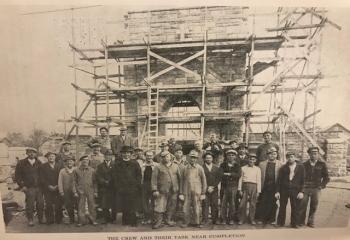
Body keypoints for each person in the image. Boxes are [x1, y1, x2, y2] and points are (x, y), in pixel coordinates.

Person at [299, 147, 330, 228]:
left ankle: (310, 221)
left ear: (318, 154)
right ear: (309, 154)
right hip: (305, 188)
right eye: (312, 153)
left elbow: (327, 177)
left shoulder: (322, 164)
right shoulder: (304, 165)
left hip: (316, 188)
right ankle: (301, 221)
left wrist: (322, 186)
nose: (314, 155)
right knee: (303, 204)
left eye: (316, 153)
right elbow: (300, 177)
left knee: (314, 205)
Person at [151, 151, 182, 229]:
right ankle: (158, 222)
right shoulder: (158, 166)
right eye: (164, 157)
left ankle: (168, 220)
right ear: (161, 158)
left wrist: (180, 190)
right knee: (159, 206)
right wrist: (155, 190)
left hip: (174, 190)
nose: (166, 158)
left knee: (171, 206)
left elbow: (180, 179)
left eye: (167, 156)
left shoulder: (175, 166)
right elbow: (153, 179)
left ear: (170, 157)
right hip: (162, 191)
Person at [14, 147, 44, 226]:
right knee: (30, 204)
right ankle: (30, 220)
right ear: (27, 153)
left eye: (33, 152)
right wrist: (22, 186)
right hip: (29, 187)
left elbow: (43, 175)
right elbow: (17, 176)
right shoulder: (21, 163)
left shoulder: (39, 162)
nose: (32, 154)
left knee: (40, 204)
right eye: (30, 152)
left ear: (36, 154)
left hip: (39, 187)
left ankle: (40, 219)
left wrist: (43, 186)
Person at [113, 146, 142, 227]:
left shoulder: (135, 163)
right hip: (122, 188)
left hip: (132, 188)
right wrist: (118, 186)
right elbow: (115, 176)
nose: (126, 155)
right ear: (122, 154)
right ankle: (125, 220)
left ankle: (133, 221)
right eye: (124, 153)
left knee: (132, 205)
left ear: (130, 154)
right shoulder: (118, 164)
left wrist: (136, 184)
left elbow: (139, 175)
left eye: (128, 153)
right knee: (124, 204)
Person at [275, 152, 305, 228]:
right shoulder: (283, 167)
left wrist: (301, 191)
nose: (290, 158)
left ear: (295, 157)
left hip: (295, 190)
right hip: (284, 190)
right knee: (282, 206)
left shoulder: (301, 167)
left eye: (291, 157)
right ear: (287, 158)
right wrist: (277, 191)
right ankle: (280, 222)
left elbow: (303, 180)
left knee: (295, 207)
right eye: (288, 157)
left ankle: (294, 223)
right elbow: (279, 180)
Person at [179, 150, 207, 228]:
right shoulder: (185, 168)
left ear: (197, 159)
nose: (192, 159)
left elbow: (204, 180)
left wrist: (203, 193)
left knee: (197, 207)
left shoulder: (200, 168)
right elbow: (182, 180)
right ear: (188, 158)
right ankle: (186, 222)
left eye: (194, 158)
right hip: (186, 191)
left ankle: (197, 222)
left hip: (197, 191)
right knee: (185, 208)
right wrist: (181, 193)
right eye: (191, 158)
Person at [257, 147, 282, 225]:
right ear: (267, 155)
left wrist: (279, 189)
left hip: (274, 186)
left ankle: (271, 219)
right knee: (263, 202)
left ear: (276, 155)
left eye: (274, 154)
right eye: (270, 154)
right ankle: (262, 218)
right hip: (264, 186)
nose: (272, 155)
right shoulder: (262, 164)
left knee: (273, 203)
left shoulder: (280, 164)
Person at [73, 155, 98, 226]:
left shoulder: (92, 170)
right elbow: (74, 182)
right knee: (81, 206)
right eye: (83, 160)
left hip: (90, 190)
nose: (85, 161)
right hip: (80, 190)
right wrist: (75, 191)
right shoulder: (76, 170)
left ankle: (93, 220)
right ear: (81, 161)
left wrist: (96, 191)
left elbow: (95, 182)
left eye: (86, 160)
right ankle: (81, 221)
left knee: (92, 205)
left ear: (88, 161)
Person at [39, 152, 63, 224]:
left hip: (57, 187)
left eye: (52, 156)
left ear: (55, 157)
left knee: (58, 204)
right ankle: (49, 219)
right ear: (47, 158)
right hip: (47, 189)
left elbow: (61, 177)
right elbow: (41, 178)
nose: (51, 158)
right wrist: (48, 186)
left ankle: (59, 219)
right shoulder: (43, 166)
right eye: (49, 156)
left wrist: (57, 186)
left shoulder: (60, 166)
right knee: (48, 204)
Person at [238, 153, 261, 225]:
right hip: (245, 186)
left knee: (253, 204)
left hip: (254, 186)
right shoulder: (243, 168)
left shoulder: (257, 169)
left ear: (255, 160)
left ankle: (251, 219)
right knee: (242, 204)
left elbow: (259, 180)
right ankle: (242, 219)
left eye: (253, 159)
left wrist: (258, 191)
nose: (251, 161)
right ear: (248, 160)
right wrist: (240, 189)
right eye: (250, 159)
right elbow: (240, 179)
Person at [219, 149, 241, 225]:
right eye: (229, 155)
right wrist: (231, 175)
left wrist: (229, 174)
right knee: (223, 203)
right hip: (224, 186)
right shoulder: (223, 165)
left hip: (233, 187)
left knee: (232, 203)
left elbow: (238, 175)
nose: (231, 157)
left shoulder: (237, 165)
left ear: (235, 156)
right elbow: (221, 174)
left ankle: (231, 219)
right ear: (226, 156)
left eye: (232, 155)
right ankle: (223, 219)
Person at [96, 149, 115, 224]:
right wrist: (104, 182)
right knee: (104, 203)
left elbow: (116, 175)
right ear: (104, 156)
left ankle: (113, 218)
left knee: (113, 203)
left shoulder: (115, 165)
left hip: (112, 187)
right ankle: (106, 218)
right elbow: (98, 176)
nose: (108, 157)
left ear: (112, 156)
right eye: (107, 155)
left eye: (109, 155)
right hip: (103, 187)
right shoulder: (100, 166)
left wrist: (110, 182)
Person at [202, 151, 221, 225]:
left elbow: (218, 178)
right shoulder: (201, 167)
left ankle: (215, 219)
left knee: (215, 204)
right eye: (207, 158)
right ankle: (205, 219)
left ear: (212, 159)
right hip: (205, 189)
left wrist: (213, 187)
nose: (208, 159)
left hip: (214, 189)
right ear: (204, 159)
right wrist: (207, 187)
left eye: (210, 158)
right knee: (205, 204)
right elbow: (200, 179)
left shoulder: (216, 168)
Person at [140, 150, 158, 224]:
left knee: (153, 202)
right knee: (144, 202)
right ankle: (146, 217)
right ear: (145, 156)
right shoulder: (142, 166)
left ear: (153, 156)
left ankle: (153, 218)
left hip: (153, 185)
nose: (149, 157)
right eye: (147, 156)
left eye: (150, 156)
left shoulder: (157, 165)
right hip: (144, 185)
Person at [58, 156, 76, 224]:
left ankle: (80, 218)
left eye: (71, 161)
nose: (69, 162)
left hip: (75, 191)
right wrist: (61, 191)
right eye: (68, 161)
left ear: (74, 162)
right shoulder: (62, 171)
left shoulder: (76, 169)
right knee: (68, 205)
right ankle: (72, 219)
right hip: (66, 191)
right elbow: (60, 181)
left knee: (77, 204)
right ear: (65, 163)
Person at [172, 144, 187, 223]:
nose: (178, 154)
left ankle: (182, 217)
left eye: (180, 152)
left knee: (182, 201)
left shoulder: (186, 163)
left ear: (182, 154)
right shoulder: (171, 162)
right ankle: (173, 217)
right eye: (177, 152)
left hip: (184, 184)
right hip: (174, 184)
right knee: (174, 201)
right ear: (174, 154)